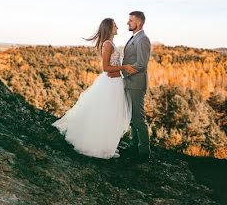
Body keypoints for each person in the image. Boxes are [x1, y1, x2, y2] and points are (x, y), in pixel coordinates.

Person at [52, 18, 138, 159]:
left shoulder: (111, 43)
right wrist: (124, 67)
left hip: (116, 81)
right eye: (115, 26)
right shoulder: (107, 44)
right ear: (109, 28)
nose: (118, 28)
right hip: (110, 83)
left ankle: (105, 145)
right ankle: (97, 146)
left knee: (110, 115)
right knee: (106, 114)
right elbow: (105, 68)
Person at [118, 11, 152, 163]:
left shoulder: (143, 39)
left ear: (138, 23)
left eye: (130, 20)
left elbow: (141, 64)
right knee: (132, 116)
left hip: (136, 83)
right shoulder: (134, 38)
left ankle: (144, 152)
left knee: (139, 118)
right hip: (130, 82)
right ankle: (134, 146)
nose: (127, 23)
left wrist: (123, 70)